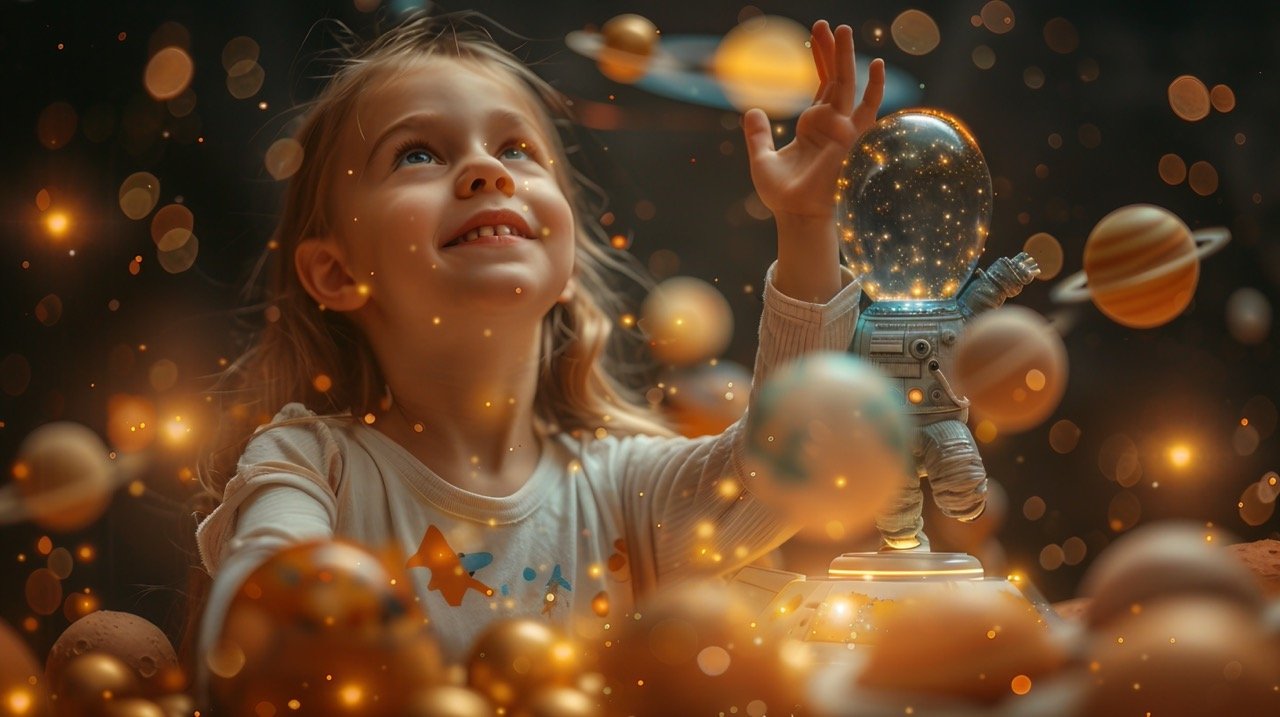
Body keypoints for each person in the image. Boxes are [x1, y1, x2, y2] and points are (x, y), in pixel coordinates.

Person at [192, 10, 885, 669]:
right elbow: (262, 617)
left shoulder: (621, 492)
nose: (485, 170)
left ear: (566, 260)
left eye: (516, 149)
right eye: (418, 153)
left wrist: (804, 224)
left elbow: (788, 464)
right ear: (337, 271)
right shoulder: (312, 470)